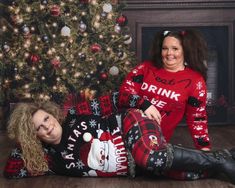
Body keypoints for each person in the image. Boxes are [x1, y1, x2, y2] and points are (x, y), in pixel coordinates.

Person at [3, 91, 235, 185]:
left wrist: (143, 103)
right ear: (33, 136)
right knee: (188, 173)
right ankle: (224, 158)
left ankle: (222, 160)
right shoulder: (50, 161)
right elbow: (11, 170)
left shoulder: (74, 115)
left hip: (129, 125)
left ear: (51, 114)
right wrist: (24, 140)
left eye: (46, 119)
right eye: (38, 129)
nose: (47, 127)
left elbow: (115, 98)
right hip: (133, 166)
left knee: (151, 158)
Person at [120, 29, 210, 150]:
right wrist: (144, 104)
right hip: (122, 131)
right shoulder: (145, 68)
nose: (169, 53)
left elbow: (197, 119)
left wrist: (205, 150)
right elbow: (124, 94)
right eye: (165, 48)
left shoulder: (195, 81)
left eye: (175, 48)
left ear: (185, 51)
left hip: (151, 144)